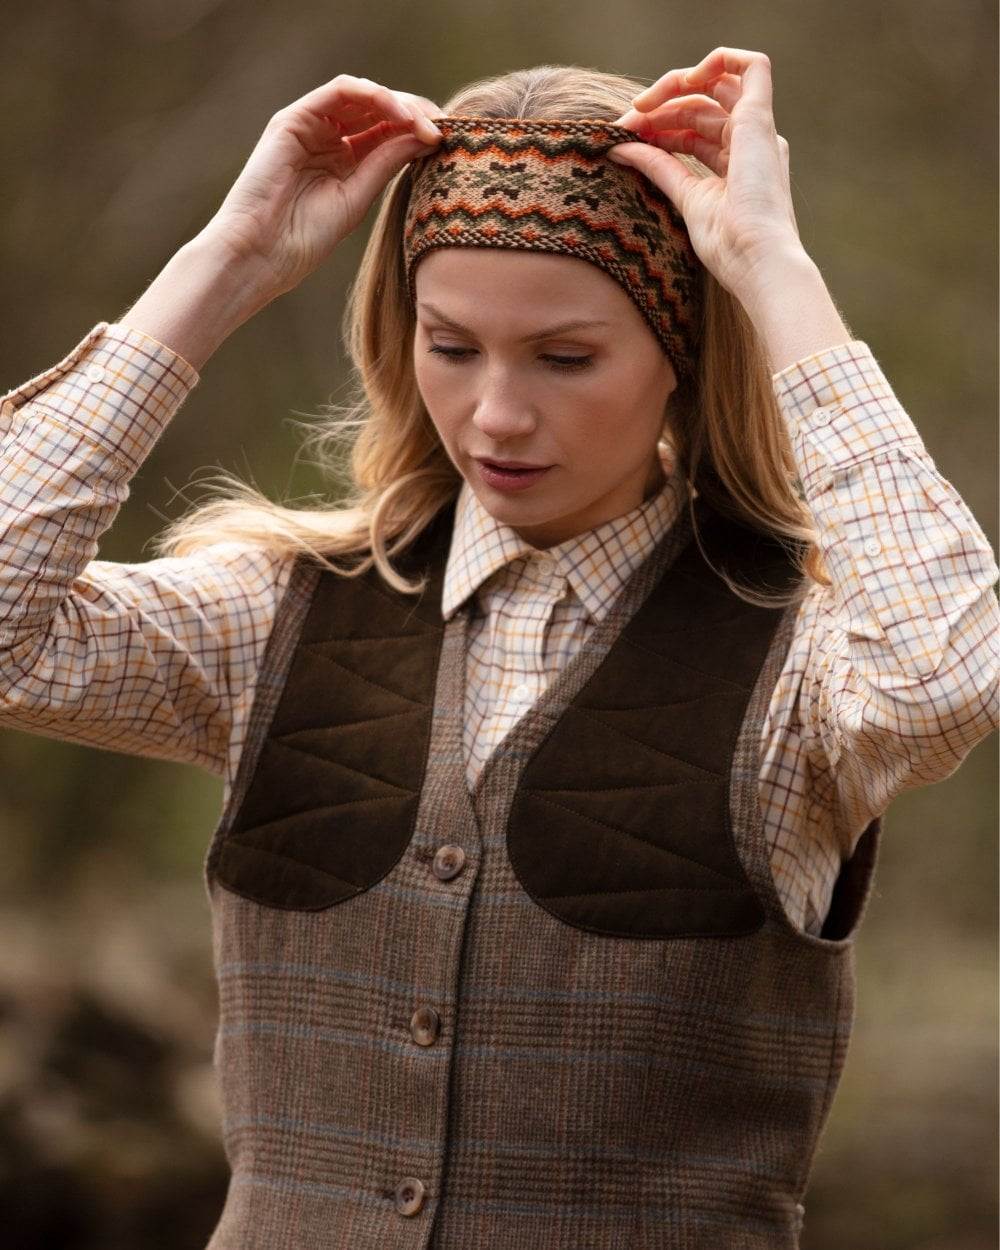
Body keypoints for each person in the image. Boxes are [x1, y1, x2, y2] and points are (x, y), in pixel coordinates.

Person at [1, 49, 997, 1250]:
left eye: (565, 357)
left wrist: (771, 274)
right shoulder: (272, 615)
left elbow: (949, 673)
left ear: (681, 355)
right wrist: (221, 268)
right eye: (451, 345)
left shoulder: (801, 664)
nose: (497, 415)